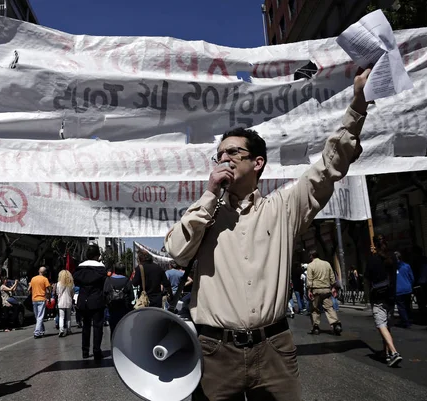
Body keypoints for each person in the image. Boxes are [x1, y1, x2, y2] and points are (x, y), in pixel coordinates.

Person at [164, 69, 371, 400]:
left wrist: (358, 104)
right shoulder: (204, 213)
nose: (225, 160)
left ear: (258, 162)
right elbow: (176, 251)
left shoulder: (284, 208)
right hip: (215, 351)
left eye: (234, 153)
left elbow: (329, 165)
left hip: (274, 348)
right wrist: (208, 196)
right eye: (220, 156)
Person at [366, 235, 403, 367]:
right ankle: (386, 352)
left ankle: (393, 352)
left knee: (381, 324)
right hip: (391, 295)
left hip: (378, 297)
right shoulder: (392, 257)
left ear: (374, 245)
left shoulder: (373, 259)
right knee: (387, 325)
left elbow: (368, 276)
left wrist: (372, 256)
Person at [73, 245, 107, 360]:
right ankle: (97, 351)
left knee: (86, 326)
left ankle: (85, 351)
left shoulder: (79, 268)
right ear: (97, 256)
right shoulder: (101, 269)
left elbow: (76, 282)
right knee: (98, 327)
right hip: (97, 300)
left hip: (83, 300)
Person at [306, 251, 342, 335]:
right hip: (326, 289)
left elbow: (309, 279)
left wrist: (309, 290)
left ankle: (315, 327)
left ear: (311, 256)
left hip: (316, 290)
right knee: (329, 307)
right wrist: (333, 287)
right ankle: (336, 324)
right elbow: (332, 277)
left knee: (315, 309)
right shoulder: (327, 264)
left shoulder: (310, 265)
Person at [103, 264, 135, 334]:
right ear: (124, 271)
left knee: (113, 329)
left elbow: (104, 294)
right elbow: (132, 296)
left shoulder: (108, 280)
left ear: (115, 270)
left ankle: (114, 343)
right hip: (124, 309)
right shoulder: (127, 281)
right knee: (123, 330)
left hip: (112, 309)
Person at [28, 266, 51, 339]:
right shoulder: (45, 279)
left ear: (38, 271)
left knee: (38, 316)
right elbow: (47, 291)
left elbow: (29, 289)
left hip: (34, 299)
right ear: (45, 273)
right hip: (41, 299)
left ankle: (41, 330)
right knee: (40, 317)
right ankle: (37, 332)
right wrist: (49, 299)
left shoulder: (33, 279)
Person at [395, 251, 414, 328]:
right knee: (407, 305)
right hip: (407, 288)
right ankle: (408, 319)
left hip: (398, 290)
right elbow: (411, 277)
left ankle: (405, 321)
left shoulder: (394, 267)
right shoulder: (407, 266)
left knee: (401, 307)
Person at [56, 270, 75, 337]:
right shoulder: (71, 283)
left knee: (61, 317)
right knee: (68, 317)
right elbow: (73, 293)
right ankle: (68, 330)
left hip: (61, 301)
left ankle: (61, 330)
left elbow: (57, 292)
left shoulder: (59, 283)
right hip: (68, 301)